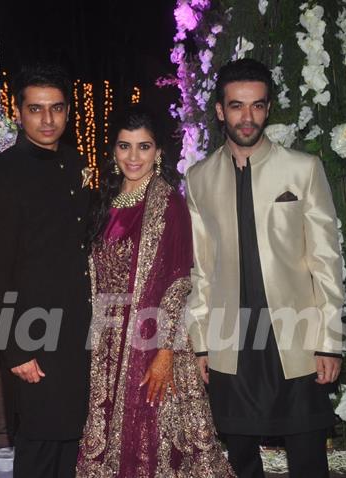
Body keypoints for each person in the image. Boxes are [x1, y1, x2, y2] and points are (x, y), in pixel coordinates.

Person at [185, 58, 345, 478]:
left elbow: (327, 261)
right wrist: (201, 342)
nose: (247, 116)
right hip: (229, 338)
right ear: (220, 110)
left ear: (268, 108)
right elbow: (200, 268)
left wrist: (329, 340)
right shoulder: (198, 178)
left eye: (257, 105)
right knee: (237, 456)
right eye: (237, 105)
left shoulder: (303, 169)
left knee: (308, 453)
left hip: (295, 332)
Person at [75, 106, 234, 477]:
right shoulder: (102, 202)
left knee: (148, 436)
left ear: (158, 152)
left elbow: (180, 280)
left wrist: (164, 352)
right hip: (106, 342)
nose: (134, 157)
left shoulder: (168, 203)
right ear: (113, 151)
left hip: (152, 339)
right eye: (124, 146)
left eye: (143, 147)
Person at [0, 63, 91, 478]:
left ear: (68, 111)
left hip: (80, 332)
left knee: (75, 446)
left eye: (57, 108)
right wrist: (14, 347)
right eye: (36, 109)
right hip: (34, 338)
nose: (47, 119)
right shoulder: (4, 173)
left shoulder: (77, 164)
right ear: (19, 112)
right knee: (40, 446)